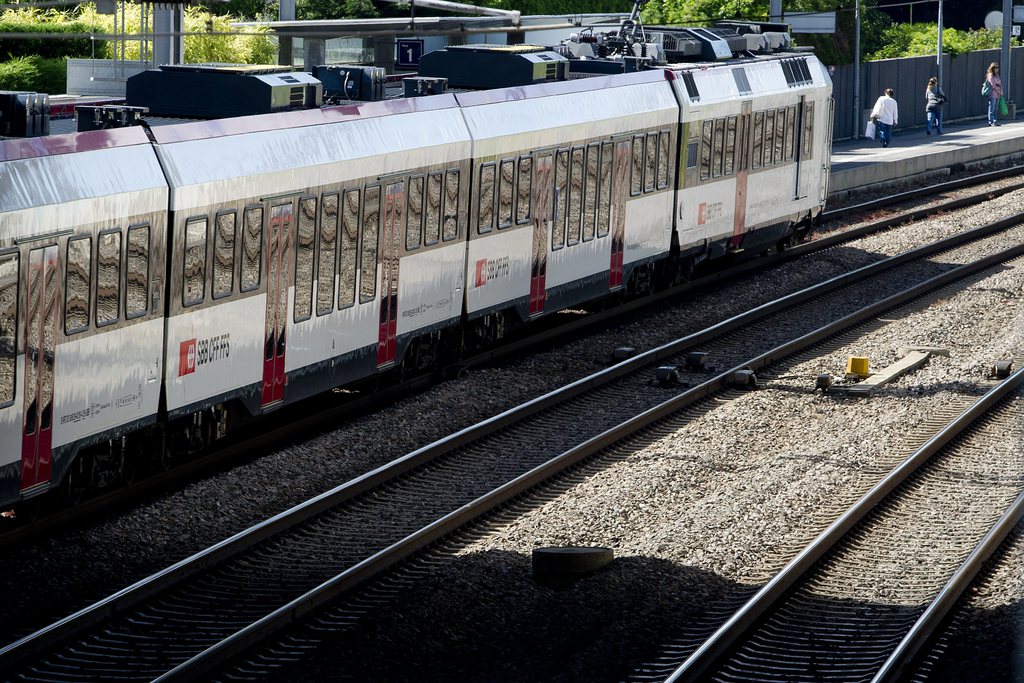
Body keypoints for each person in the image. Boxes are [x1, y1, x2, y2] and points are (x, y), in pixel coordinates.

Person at [985, 62, 1003, 126]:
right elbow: (993, 85)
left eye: (997, 67)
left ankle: (995, 121)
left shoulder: (997, 75)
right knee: (992, 108)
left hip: (998, 93)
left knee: (996, 109)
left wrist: (1001, 91)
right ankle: (991, 122)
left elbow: (1000, 84)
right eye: (996, 67)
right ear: (992, 68)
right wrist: (999, 91)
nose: (997, 69)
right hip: (993, 93)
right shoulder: (990, 75)